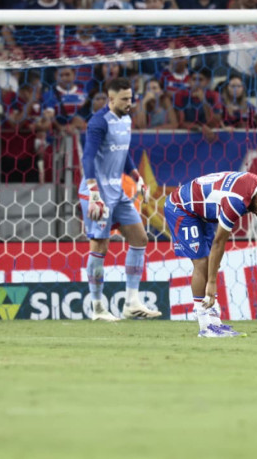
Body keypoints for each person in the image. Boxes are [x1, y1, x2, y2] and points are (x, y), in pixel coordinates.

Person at [164, 171, 257, 337]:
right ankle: (204, 327)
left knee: (211, 260)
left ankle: (215, 323)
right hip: (181, 207)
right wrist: (211, 283)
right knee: (202, 262)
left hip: (202, 212)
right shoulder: (236, 202)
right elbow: (219, 242)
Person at [78, 77, 160, 322]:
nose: (130, 103)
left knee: (140, 237)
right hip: (98, 193)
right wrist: (93, 194)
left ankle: (131, 303)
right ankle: (97, 308)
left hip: (118, 192)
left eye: (131, 98)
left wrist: (138, 179)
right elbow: (88, 158)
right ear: (110, 98)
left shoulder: (126, 119)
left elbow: (122, 155)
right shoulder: (98, 123)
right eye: (124, 99)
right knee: (100, 246)